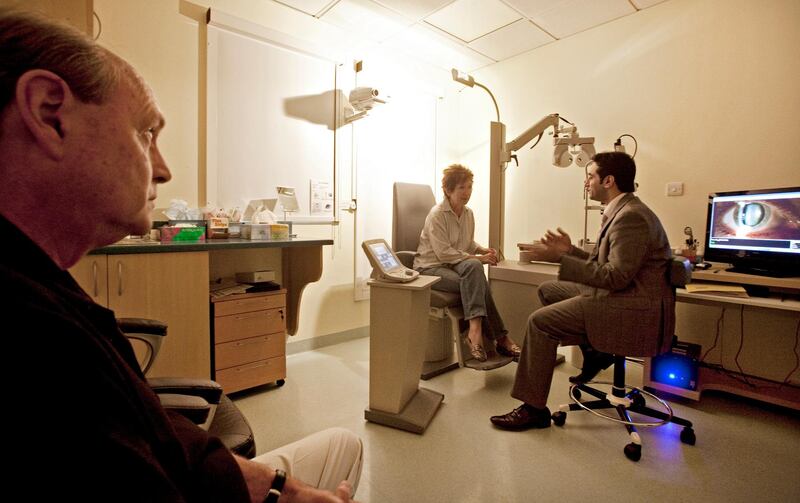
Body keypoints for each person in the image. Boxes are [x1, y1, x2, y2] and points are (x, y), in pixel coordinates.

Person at [0, 9, 361, 501]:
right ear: (49, 113)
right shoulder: (36, 340)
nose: (165, 169)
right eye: (147, 133)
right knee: (344, 448)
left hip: (202, 471)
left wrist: (281, 485)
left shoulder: (45, 283)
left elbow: (154, 428)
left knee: (340, 443)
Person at [490, 152, 674, 430]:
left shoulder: (631, 218)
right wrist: (569, 252)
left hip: (630, 309)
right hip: (623, 297)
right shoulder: (622, 211)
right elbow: (605, 265)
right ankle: (596, 353)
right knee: (550, 290)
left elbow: (616, 277)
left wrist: (561, 259)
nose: (586, 183)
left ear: (608, 180)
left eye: (590, 176)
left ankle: (533, 410)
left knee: (539, 323)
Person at [414, 164, 521, 362]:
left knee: (474, 271)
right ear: (448, 190)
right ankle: (500, 337)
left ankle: (475, 332)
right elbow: (444, 253)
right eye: (462, 188)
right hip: (430, 267)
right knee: (476, 277)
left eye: (470, 187)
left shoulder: (468, 214)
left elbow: (466, 243)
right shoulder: (437, 215)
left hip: (452, 265)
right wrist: (479, 259)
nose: (467, 192)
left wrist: (481, 250)